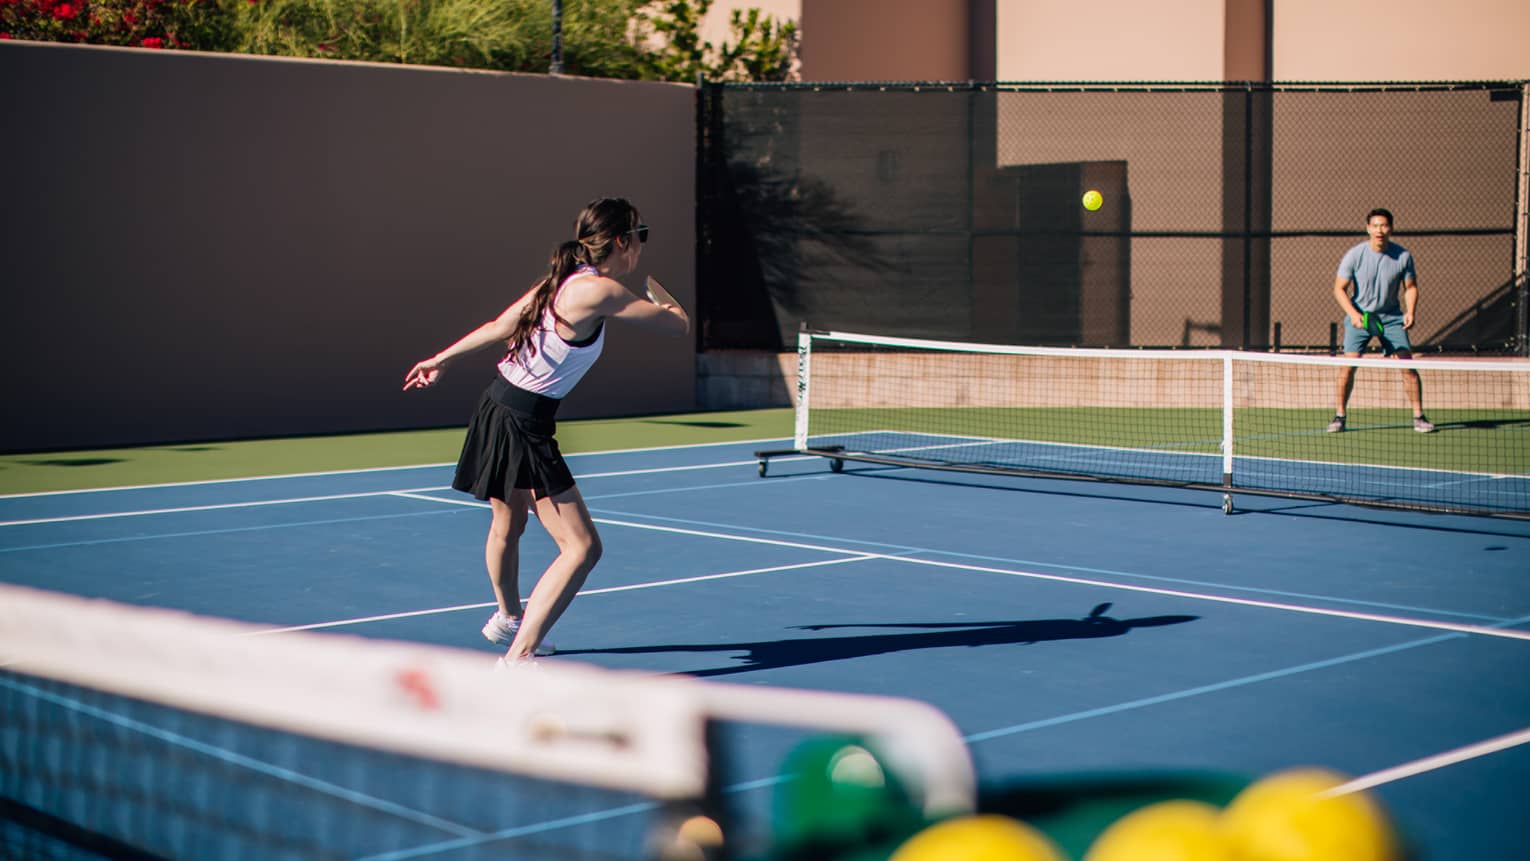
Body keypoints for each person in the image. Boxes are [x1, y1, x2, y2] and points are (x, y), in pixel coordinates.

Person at [403, 198, 689, 663]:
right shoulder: (600, 291)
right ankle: (518, 657)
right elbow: (677, 327)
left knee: (509, 522)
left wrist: (440, 358)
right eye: (641, 234)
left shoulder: (561, 281)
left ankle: (507, 618)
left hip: (498, 404)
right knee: (582, 548)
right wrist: (664, 295)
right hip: (524, 421)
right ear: (621, 241)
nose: (642, 244)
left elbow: (499, 326)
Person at [1327, 208, 1435, 434]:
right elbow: (1339, 289)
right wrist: (1354, 315)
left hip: (1392, 318)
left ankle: (1419, 417)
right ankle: (1339, 416)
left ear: (1391, 228)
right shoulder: (1354, 255)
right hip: (1361, 317)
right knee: (1348, 366)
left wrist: (1411, 311)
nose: (1380, 230)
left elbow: (1411, 287)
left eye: (1384, 225)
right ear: (1368, 228)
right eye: (1375, 226)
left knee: (1407, 366)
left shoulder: (1403, 256)